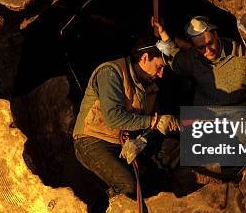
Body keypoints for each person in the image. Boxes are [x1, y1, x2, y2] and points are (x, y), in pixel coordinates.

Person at [72, 38, 180, 197]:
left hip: (122, 145)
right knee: (128, 186)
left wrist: (141, 141)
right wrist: (154, 121)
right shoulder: (111, 72)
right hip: (92, 140)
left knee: (165, 163)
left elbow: (150, 126)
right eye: (159, 67)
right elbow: (113, 117)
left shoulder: (150, 87)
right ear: (144, 58)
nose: (161, 74)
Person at [152, 16, 246, 107]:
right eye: (201, 47)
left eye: (210, 43)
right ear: (195, 47)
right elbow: (176, 59)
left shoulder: (242, 55)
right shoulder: (194, 58)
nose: (208, 50)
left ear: (215, 35)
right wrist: (162, 32)